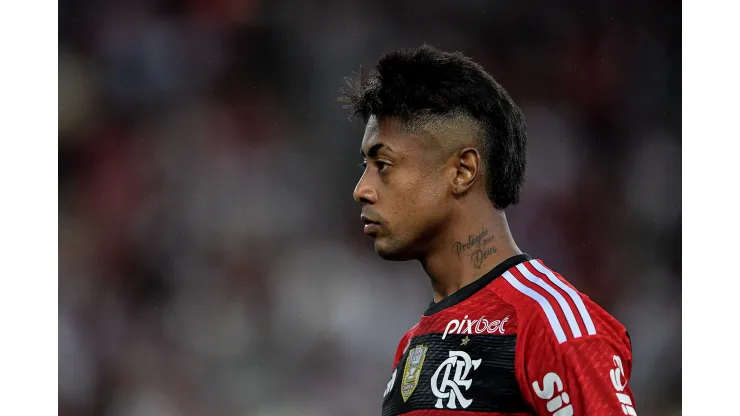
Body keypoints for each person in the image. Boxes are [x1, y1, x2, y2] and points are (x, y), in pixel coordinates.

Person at [339, 45, 637, 416]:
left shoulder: (551, 324)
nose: (361, 189)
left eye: (382, 164)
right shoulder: (413, 346)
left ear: (462, 171)